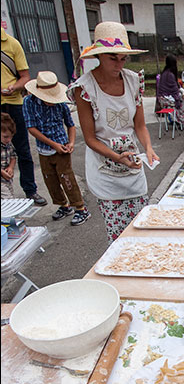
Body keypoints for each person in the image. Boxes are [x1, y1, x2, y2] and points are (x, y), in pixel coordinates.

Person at [68, 21, 159, 244]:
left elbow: (139, 126)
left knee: (142, 229)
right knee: (119, 236)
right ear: (99, 56)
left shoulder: (132, 81)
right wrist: (117, 157)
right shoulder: (85, 88)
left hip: (132, 167)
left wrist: (147, 147)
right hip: (105, 169)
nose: (119, 64)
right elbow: (89, 138)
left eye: (123, 58)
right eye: (112, 58)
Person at [22, 71, 90, 225]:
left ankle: (80, 208)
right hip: (44, 148)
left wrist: (71, 143)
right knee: (50, 179)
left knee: (67, 178)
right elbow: (31, 128)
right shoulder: (28, 102)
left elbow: (70, 125)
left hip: (63, 146)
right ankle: (63, 205)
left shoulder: (61, 104)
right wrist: (53, 145)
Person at [1, 29, 46, 205]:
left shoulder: (12, 44)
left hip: (13, 103)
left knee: (22, 149)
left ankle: (30, 190)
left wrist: (14, 87)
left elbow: (25, 77)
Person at [155, 54, 184, 126]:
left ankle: (181, 118)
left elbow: (175, 88)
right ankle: (183, 118)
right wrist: (181, 95)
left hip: (162, 98)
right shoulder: (170, 75)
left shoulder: (165, 73)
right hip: (166, 99)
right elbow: (175, 91)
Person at [1, 112, 17, 201]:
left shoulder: (8, 143)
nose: (9, 140)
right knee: (9, 200)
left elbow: (13, 156)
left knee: (10, 195)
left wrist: (11, 167)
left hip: (7, 179)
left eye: (11, 137)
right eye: (5, 137)